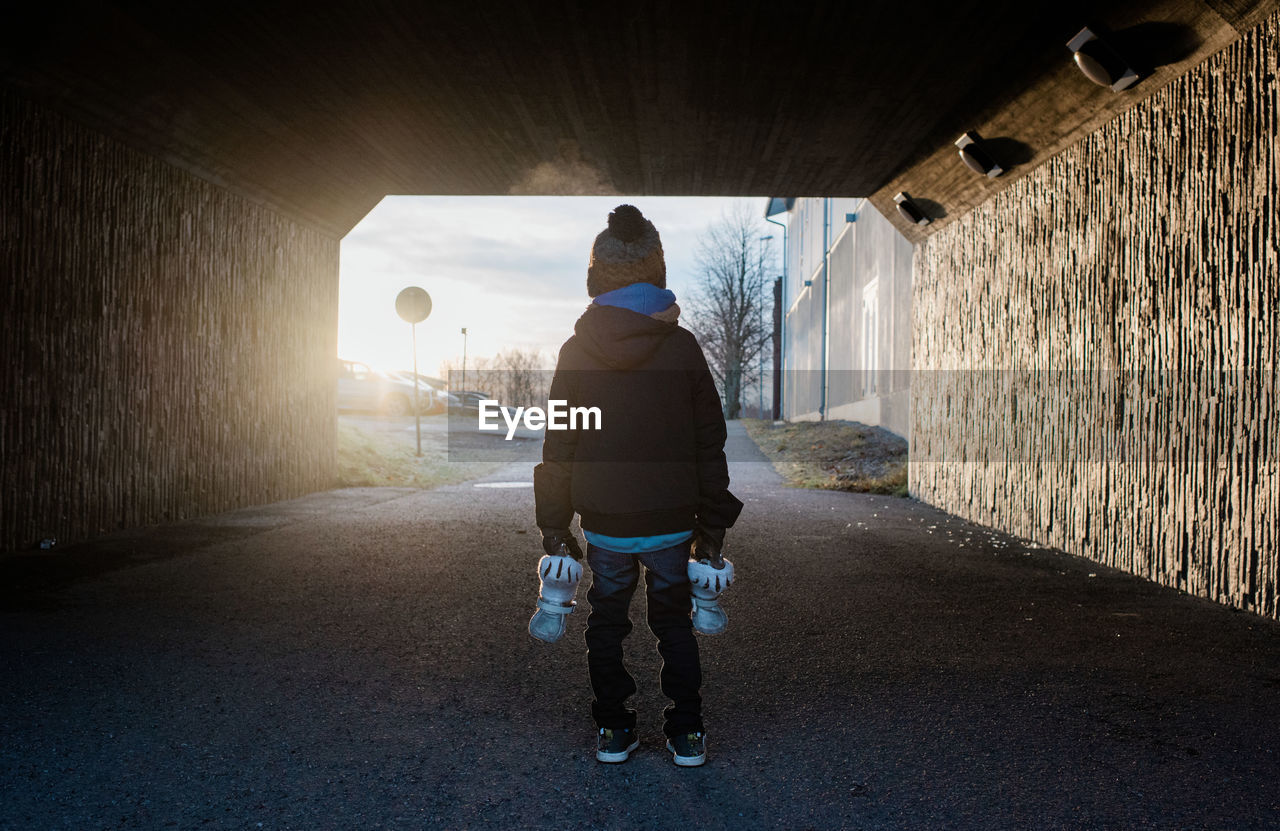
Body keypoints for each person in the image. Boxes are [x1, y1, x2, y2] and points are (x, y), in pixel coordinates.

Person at [533, 204, 743, 767]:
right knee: (674, 621)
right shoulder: (682, 348)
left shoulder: (577, 352)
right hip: (673, 521)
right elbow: (709, 443)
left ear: (597, 274)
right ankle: (687, 733)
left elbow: (560, 444)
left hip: (607, 523)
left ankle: (614, 731)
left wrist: (555, 525)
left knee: (607, 622)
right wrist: (713, 526)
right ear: (657, 271)